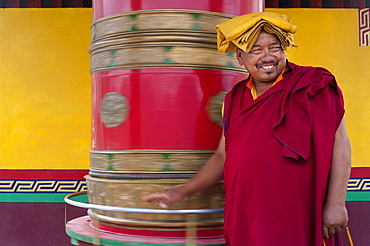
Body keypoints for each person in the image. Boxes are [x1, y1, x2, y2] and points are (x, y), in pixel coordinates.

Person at [143, 12, 351, 246]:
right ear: (240, 57)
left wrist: (336, 203)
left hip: (298, 209)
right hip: (248, 211)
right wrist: (181, 191)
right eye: (256, 49)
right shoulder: (234, 99)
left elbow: (339, 143)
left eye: (275, 47)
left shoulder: (312, 85)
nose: (268, 56)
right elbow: (223, 156)